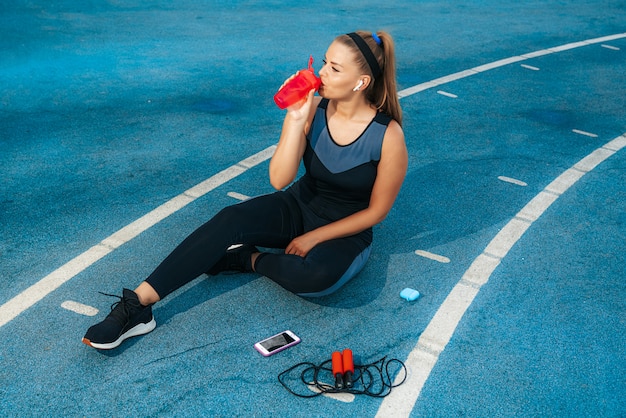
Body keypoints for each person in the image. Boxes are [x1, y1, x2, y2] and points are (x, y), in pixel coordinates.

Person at [82, 30, 408, 350]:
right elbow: (279, 180)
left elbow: (376, 212)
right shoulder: (313, 108)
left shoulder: (387, 135)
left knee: (317, 278)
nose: (321, 72)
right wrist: (295, 120)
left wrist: (315, 237)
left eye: (334, 69)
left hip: (347, 231)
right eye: (324, 62)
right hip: (299, 204)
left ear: (360, 82)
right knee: (230, 218)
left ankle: (247, 260)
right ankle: (139, 305)